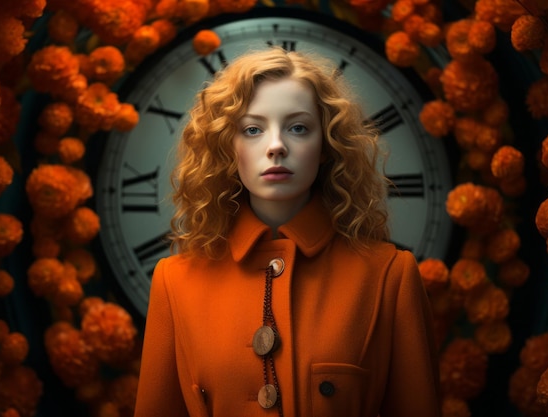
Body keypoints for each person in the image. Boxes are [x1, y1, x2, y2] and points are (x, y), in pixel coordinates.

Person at [134, 47, 440, 417]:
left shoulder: (389, 276)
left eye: (298, 127)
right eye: (252, 129)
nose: (276, 146)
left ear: (326, 146)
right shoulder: (175, 283)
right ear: (228, 148)